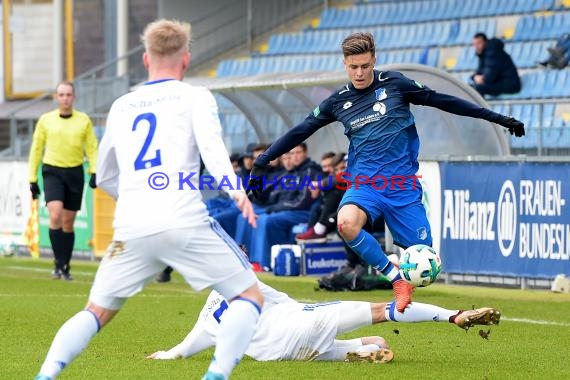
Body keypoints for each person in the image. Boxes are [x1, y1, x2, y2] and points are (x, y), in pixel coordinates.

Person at [34, 19, 263, 380]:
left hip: (131, 226)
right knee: (249, 297)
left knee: (95, 313)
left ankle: (44, 375)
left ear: (144, 59)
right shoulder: (196, 96)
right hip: (184, 220)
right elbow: (213, 151)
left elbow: (106, 175)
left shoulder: (122, 106)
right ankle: (215, 375)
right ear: (186, 59)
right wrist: (236, 191)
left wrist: (137, 198)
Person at [248, 32, 525, 313]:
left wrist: (496, 117)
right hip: (365, 185)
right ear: (345, 64)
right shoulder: (338, 102)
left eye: (365, 66)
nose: (359, 73)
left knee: (424, 259)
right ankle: (395, 280)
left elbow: (444, 101)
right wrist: (263, 161)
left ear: (374, 61)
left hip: (402, 186)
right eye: (353, 67)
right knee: (346, 223)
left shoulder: (395, 84)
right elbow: (301, 130)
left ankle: (405, 275)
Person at [147, 279, 501, 363]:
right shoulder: (247, 282)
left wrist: (163, 355)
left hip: (284, 353)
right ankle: (454, 316)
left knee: (376, 343)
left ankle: (365, 350)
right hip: (301, 324)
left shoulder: (207, 317)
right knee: (383, 311)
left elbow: (181, 351)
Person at [28, 81, 98, 281]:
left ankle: (65, 265)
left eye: (68, 94)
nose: (65, 98)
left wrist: (94, 171)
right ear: (56, 98)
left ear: (74, 98)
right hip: (52, 171)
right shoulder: (45, 120)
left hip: (75, 172)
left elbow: (92, 147)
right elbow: (36, 148)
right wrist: (32, 178)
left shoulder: (83, 120)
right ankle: (58, 263)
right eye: (61, 94)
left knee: (68, 222)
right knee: (56, 214)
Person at [470, 32, 521, 97]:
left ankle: (480, 107)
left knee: (478, 88)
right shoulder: (483, 54)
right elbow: (480, 72)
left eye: (479, 43)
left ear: (485, 42)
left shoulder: (493, 52)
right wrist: (475, 77)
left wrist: (482, 79)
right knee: (470, 88)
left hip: (510, 84)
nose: (476, 47)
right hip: (499, 82)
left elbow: (490, 75)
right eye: (474, 44)